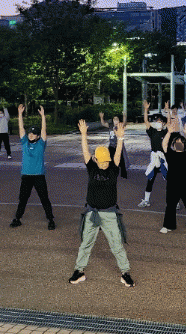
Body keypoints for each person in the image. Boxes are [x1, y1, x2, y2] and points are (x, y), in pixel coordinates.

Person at [69, 119, 134, 287]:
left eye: (107, 161)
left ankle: (125, 272)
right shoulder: (91, 168)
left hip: (109, 213)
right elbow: (85, 151)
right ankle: (79, 271)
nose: (105, 164)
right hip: (91, 213)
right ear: (95, 159)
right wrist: (84, 135)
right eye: (102, 161)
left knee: (117, 244)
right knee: (85, 244)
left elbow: (117, 154)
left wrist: (120, 138)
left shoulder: (113, 169)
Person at [10, 104, 56, 230]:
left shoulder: (41, 144)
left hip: (38, 176)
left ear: (38, 136)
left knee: (44, 198)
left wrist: (43, 117)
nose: (31, 134)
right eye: (30, 132)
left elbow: (44, 130)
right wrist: (20, 114)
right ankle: (17, 218)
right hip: (26, 176)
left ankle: (51, 220)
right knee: (23, 199)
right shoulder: (24, 142)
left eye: (34, 133)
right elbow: (21, 128)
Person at [160, 116, 186, 236]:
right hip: (172, 184)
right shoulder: (170, 154)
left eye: (181, 142)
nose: (179, 143)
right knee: (170, 205)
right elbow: (164, 145)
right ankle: (168, 226)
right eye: (177, 142)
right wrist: (169, 132)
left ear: (185, 145)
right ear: (173, 144)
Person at [138, 100, 169, 208]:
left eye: (160, 121)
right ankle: (146, 200)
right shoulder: (152, 132)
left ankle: (175, 201)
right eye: (156, 121)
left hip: (164, 159)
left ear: (163, 123)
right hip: (154, 159)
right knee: (150, 179)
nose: (158, 122)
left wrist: (167, 111)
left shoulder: (166, 132)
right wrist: (146, 109)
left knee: (170, 180)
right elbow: (146, 121)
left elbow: (170, 122)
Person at [99, 111, 130, 179]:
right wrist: (101, 117)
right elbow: (103, 123)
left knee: (122, 161)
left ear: (119, 120)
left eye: (117, 119)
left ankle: (123, 175)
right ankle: (107, 174)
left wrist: (124, 116)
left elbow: (124, 123)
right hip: (111, 146)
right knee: (109, 159)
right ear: (113, 120)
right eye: (114, 120)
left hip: (119, 146)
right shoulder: (110, 126)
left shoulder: (120, 126)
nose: (116, 121)